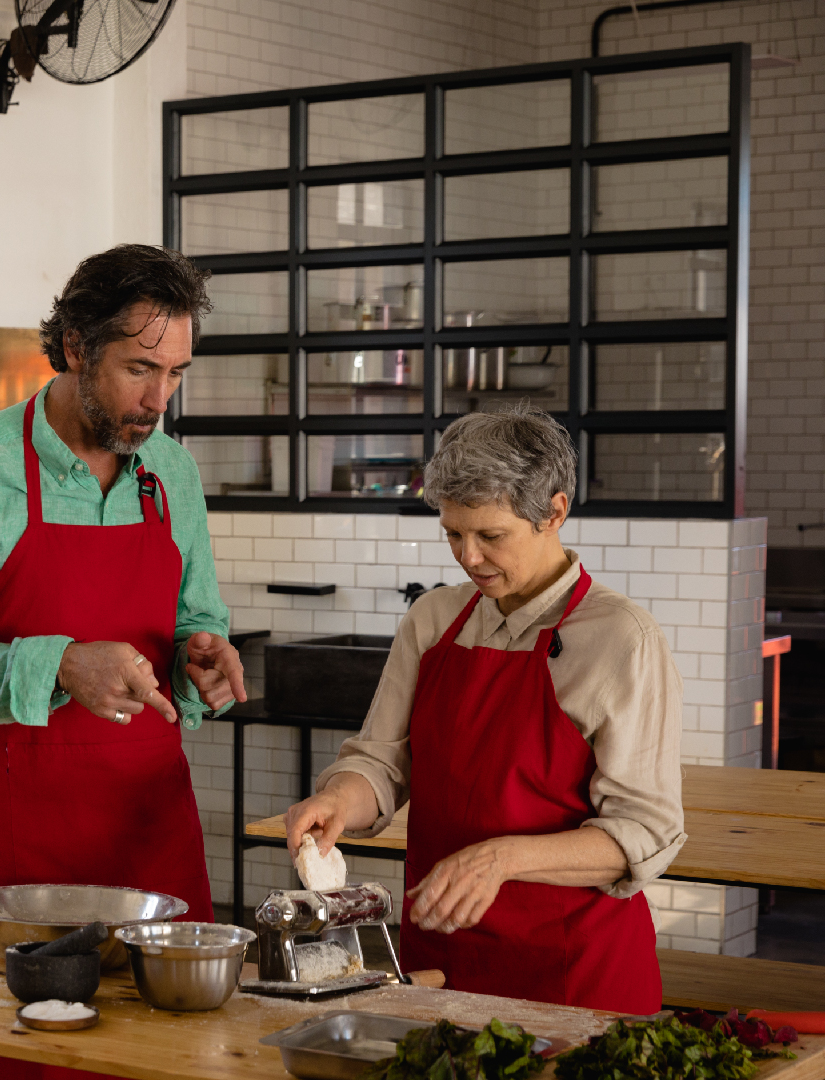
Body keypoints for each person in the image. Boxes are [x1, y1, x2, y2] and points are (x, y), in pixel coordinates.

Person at [0, 244, 246, 1080]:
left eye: (176, 374)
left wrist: (200, 657)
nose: (158, 400)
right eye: (139, 369)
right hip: (25, 840)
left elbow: (196, 619)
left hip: (151, 825)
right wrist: (59, 666)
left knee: (175, 1058)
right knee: (31, 1060)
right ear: (76, 346)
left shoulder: (171, 472)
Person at [284, 405, 685, 1014]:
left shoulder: (622, 639)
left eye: (491, 536)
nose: (468, 558)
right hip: (441, 961)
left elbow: (645, 832)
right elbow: (382, 762)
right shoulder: (434, 620)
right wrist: (339, 798)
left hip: (570, 975)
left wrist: (504, 858)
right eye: (453, 533)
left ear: (554, 512)